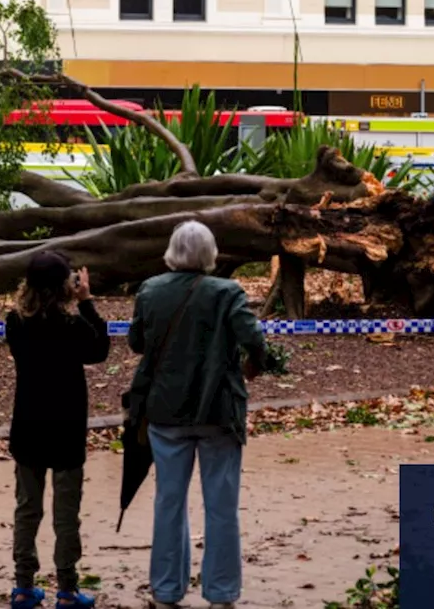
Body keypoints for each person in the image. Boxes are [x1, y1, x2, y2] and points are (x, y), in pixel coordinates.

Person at [125, 221, 268, 609]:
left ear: (172, 251)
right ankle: (222, 593)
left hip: (165, 412)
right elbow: (254, 339)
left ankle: (167, 590)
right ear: (210, 254)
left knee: (168, 502)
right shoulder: (227, 293)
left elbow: (137, 342)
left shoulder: (150, 290)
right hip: (218, 413)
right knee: (222, 506)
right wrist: (255, 361)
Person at [5, 251, 110, 609]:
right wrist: (87, 302)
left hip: (28, 427)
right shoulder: (72, 327)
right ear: (66, 286)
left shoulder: (15, 322)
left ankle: (22, 585)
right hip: (66, 429)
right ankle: (67, 588)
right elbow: (100, 349)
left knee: (26, 509)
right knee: (67, 513)